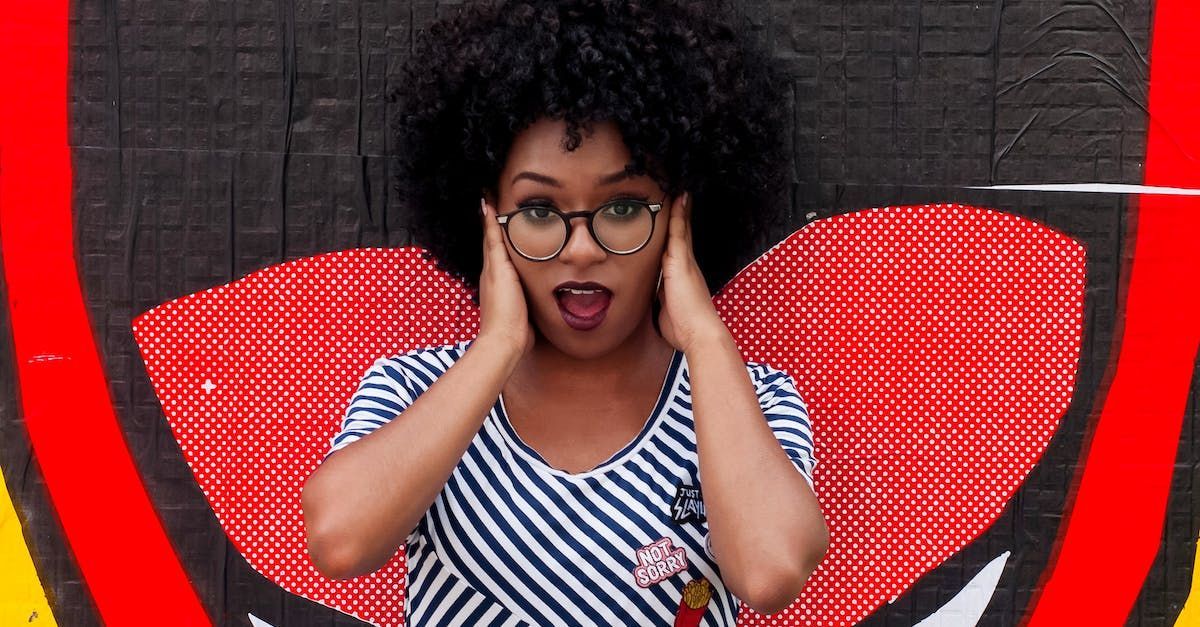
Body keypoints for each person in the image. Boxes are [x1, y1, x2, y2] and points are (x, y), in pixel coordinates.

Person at [301, 0, 829, 624]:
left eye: (625, 208)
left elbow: (768, 573)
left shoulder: (748, 401)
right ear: (487, 219)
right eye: (540, 212)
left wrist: (705, 337)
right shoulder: (414, 391)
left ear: (681, 217)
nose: (582, 248)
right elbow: (339, 542)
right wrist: (496, 347)